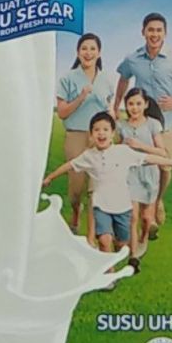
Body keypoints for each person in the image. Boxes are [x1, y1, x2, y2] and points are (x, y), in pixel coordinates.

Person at [43, 112, 172, 289]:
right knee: (104, 240)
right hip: (101, 206)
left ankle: (118, 250)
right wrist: (50, 177)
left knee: (122, 243)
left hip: (122, 207)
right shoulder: (88, 156)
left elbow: (149, 158)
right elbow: (69, 165)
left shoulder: (123, 152)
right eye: (96, 130)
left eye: (105, 129)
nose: (101, 133)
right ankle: (109, 275)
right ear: (91, 134)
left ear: (112, 133)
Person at [114, 13, 172, 232]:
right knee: (139, 165)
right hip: (140, 124)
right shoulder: (132, 59)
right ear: (143, 32)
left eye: (159, 30)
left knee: (164, 167)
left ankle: (158, 200)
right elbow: (123, 79)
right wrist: (116, 106)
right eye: (150, 30)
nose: (154, 34)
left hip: (167, 123)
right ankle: (144, 211)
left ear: (165, 33)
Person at [56, 33, 114, 241]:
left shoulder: (107, 79)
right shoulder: (67, 79)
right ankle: (75, 212)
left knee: (97, 188)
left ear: (99, 53)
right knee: (76, 188)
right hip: (76, 136)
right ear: (78, 52)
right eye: (84, 48)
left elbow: (110, 109)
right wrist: (81, 97)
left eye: (92, 49)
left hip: (100, 138)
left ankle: (92, 236)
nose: (88, 53)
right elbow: (62, 113)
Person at [116, 88, 167, 247]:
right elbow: (117, 148)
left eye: (138, 104)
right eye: (130, 104)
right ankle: (133, 252)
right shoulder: (121, 126)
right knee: (133, 216)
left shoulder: (153, 124)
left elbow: (163, 152)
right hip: (130, 174)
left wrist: (140, 146)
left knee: (146, 217)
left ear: (145, 104)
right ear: (126, 105)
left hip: (149, 173)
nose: (134, 108)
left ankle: (143, 239)